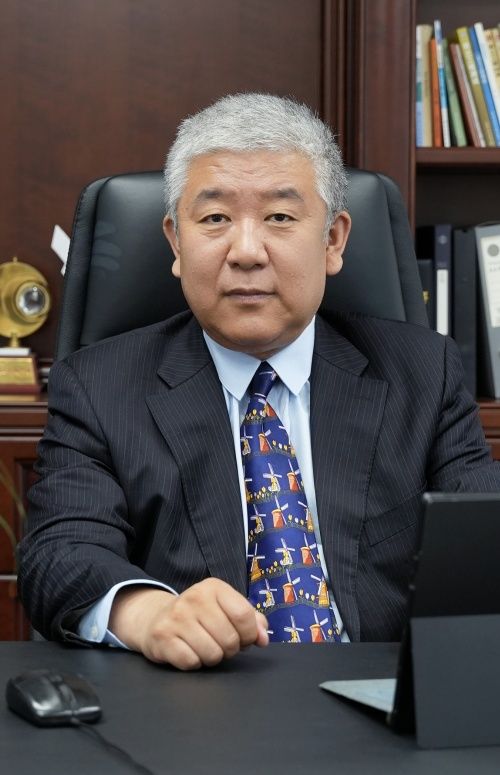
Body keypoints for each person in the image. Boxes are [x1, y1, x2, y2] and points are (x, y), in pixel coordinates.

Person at [18, 94, 500, 670]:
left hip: (378, 699)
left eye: (280, 218)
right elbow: (59, 552)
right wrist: (148, 614)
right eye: (215, 219)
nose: (246, 252)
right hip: (194, 701)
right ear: (176, 242)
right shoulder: (100, 387)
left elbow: (483, 540)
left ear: (333, 240)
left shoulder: (422, 373)